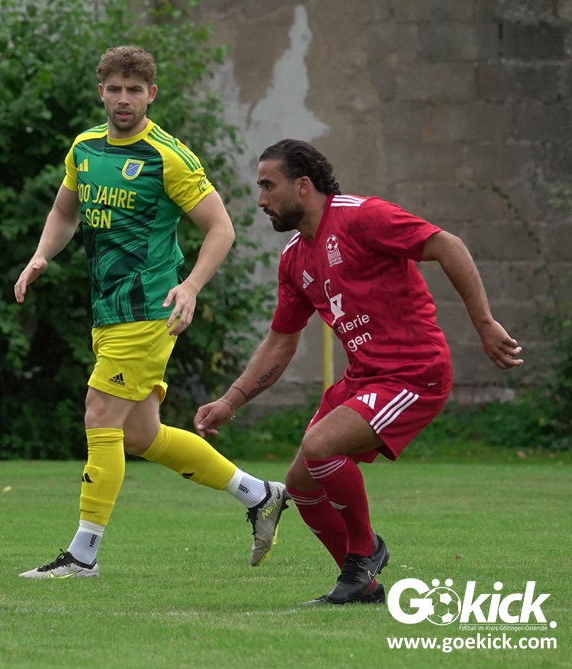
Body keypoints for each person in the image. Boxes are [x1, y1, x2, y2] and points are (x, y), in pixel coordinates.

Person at [194, 139, 524, 604]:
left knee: (319, 446)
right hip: (364, 377)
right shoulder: (293, 258)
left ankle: (366, 550)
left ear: (303, 186)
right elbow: (281, 342)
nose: (261, 200)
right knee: (301, 484)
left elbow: (447, 245)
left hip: (414, 372)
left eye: (268, 186)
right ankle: (359, 582)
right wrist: (231, 400)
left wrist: (484, 324)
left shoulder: (362, 216)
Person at [13, 46, 290, 579]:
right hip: (107, 310)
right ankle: (259, 495)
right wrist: (41, 255)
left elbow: (221, 229)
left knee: (99, 415)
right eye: (115, 89)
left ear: (151, 95)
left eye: (134, 90)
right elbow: (65, 213)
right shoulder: (85, 148)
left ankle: (82, 556)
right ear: (101, 92)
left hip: (148, 310)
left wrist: (190, 286)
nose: (124, 99)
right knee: (141, 436)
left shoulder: (169, 156)